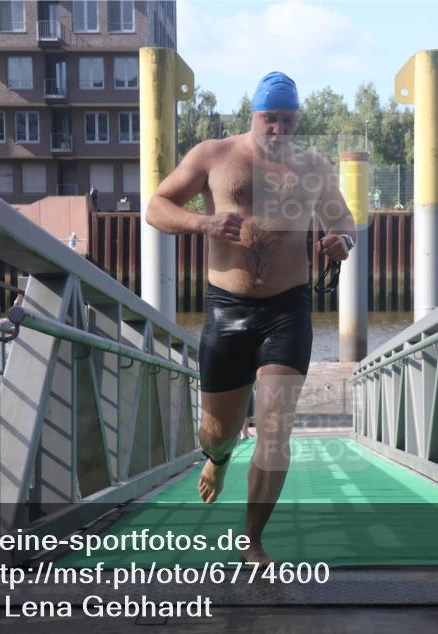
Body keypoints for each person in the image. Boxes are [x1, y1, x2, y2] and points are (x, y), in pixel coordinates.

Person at [145, 71, 357, 565]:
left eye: (287, 120)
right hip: (228, 309)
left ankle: (252, 538)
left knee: (276, 424)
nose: (279, 129)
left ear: (297, 119)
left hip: (288, 309)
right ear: (254, 116)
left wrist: (341, 242)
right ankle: (217, 459)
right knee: (216, 430)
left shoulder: (314, 167)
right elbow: (156, 207)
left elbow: (343, 220)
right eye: (270, 119)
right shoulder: (214, 155)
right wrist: (204, 222)